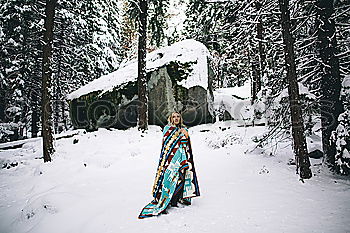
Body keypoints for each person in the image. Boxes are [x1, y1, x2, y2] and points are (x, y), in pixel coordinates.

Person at [138, 111, 200, 219]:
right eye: (174, 117)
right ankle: (164, 201)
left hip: (182, 159)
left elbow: (186, 143)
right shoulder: (167, 129)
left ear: (180, 118)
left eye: (177, 117)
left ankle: (176, 200)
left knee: (180, 179)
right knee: (168, 179)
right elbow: (165, 146)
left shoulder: (184, 129)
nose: (176, 118)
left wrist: (185, 133)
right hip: (170, 160)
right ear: (170, 118)